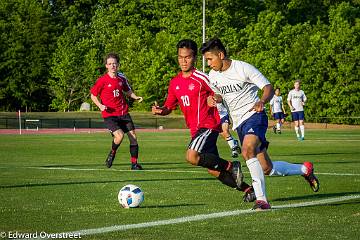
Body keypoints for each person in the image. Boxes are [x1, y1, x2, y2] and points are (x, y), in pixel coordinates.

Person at [201, 38, 320, 210]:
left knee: (247, 150)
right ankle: (304, 169)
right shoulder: (214, 75)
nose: (209, 63)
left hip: (255, 116)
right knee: (266, 168)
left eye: (210, 59)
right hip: (239, 123)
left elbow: (268, 87)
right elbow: (220, 96)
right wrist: (214, 99)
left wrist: (262, 101)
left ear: (220, 54)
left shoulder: (242, 68)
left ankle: (261, 200)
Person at [152, 39, 255, 202]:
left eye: (187, 57)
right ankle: (249, 189)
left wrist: (214, 98)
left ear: (194, 58)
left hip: (208, 125)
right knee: (213, 170)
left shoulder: (202, 78)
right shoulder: (175, 83)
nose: (183, 61)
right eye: (180, 57)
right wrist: (160, 111)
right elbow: (169, 107)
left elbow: (220, 92)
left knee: (191, 156)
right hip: (195, 130)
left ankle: (231, 165)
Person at [90, 52, 143, 170]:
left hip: (123, 113)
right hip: (110, 115)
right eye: (110, 64)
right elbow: (93, 95)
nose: (112, 66)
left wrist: (136, 97)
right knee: (119, 136)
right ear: (106, 66)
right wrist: (100, 106)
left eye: (114, 63)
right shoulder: (102, 80)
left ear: (118, 65)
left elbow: (128, 90)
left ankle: (134, 164)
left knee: (133, 137)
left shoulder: (121, 77)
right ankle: (112, 153)